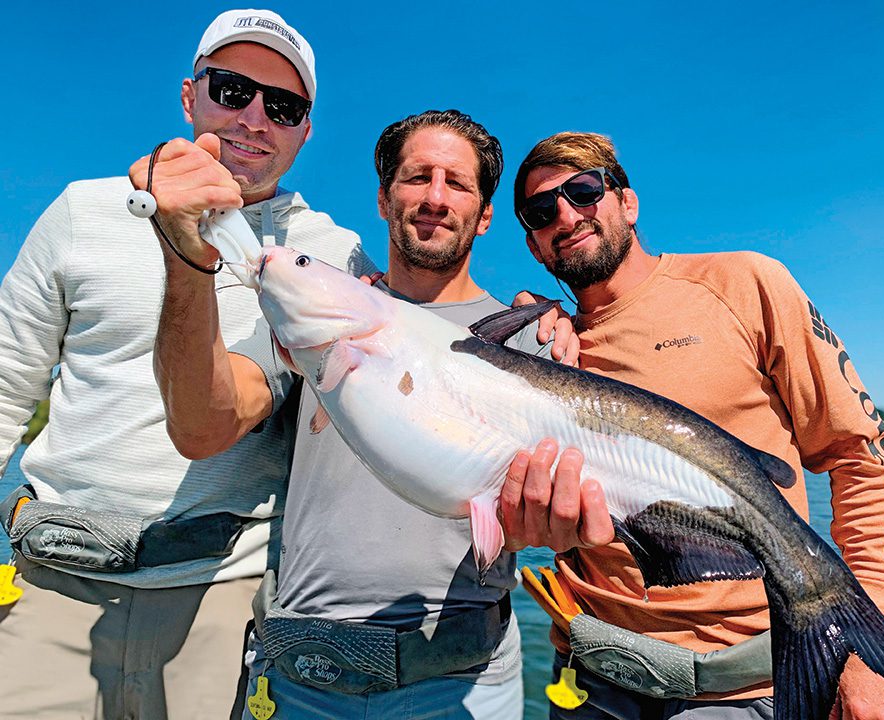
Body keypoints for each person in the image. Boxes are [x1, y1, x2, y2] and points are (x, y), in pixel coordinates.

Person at [141, 108, 590, 719]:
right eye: (415, 178)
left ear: (485, 215)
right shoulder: (312, 317)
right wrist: (188, 262)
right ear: (383, 198)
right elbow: (202, 427)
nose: (434, 198)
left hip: (466, 682)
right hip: (299, 679)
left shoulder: (533, 341)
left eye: (456, 183)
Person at [0, 10, 376, 718]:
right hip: (51, 591)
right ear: (189, 94)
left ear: (305, 132)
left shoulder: (335, 258)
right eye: (233, 89)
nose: (255, 117)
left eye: (284, 106)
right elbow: (5, 384)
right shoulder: (82, 211)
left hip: (223, 606)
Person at [510, 131, 884, 720]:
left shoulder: (745, 285)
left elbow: (864, 457)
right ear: (533, 243)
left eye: (584, 190)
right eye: (542, 211)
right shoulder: (544, 347)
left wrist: (876, 642)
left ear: (627, 201)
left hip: (740, 691)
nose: (566, 215)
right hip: (588, 684)